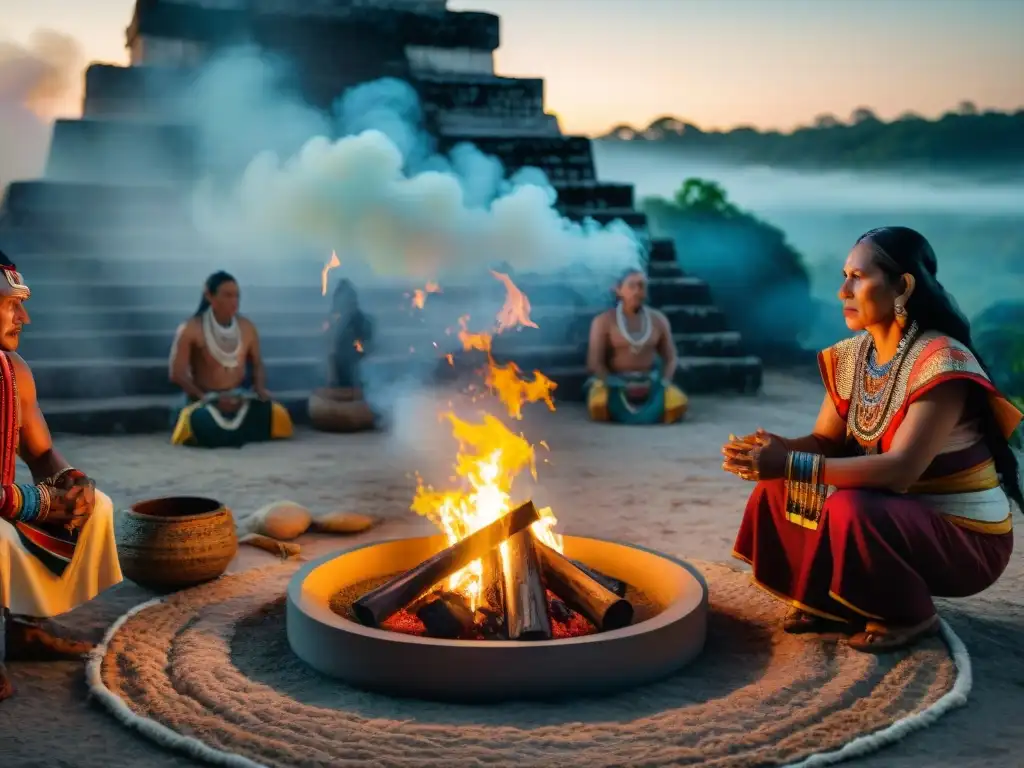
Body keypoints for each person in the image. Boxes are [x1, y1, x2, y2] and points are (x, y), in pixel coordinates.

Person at [722, 226, 1021, 654]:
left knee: (848, 506)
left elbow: (899, 471)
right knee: (778, 486)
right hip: (896, 517)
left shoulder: (942, 361)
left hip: (965, 539)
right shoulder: (853, 355)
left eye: (857, 277)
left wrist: (789, 462)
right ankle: (825, 601)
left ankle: (909, 614)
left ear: (903, 285)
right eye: (844, 276)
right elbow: (825, 442)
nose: (843, 290)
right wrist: (776, 451)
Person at [0, 250, 123, 702]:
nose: (25, 318)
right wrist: (40, 502)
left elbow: (42, 451)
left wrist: (71, 483)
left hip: (4, 501)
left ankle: (23, 628)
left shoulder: (13, 372)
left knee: (97, 506)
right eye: (12, 303)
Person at [169, 271, 294, 448]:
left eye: (237, 296)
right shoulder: (190, 329)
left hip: (238, 397)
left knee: (277, 414)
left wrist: (259, 388)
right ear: (209, 296)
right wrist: (204, 397)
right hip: (204, 399)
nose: (234, 301)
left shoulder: (247, 327)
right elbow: (176, 373)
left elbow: (257, 363)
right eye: (227, 295)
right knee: (196, 419)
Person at [585, 268, 688, 424]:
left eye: (641, 286)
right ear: (618, 290)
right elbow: (594, 362)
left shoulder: (658, 319)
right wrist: (612, 383)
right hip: (615, 383)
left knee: (677, 403)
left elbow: (671, 358)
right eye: (631, 286)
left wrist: (663, 382)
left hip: (650, 383)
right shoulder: (603, 321)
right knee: (598, 404)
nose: (637, 291)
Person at [308, 278, 377, 433]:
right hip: (339, 368)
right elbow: (329, 349)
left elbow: (369, 347)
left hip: (358, 368)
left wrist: (359, 354)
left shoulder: (363, 321)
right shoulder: (334, 320)